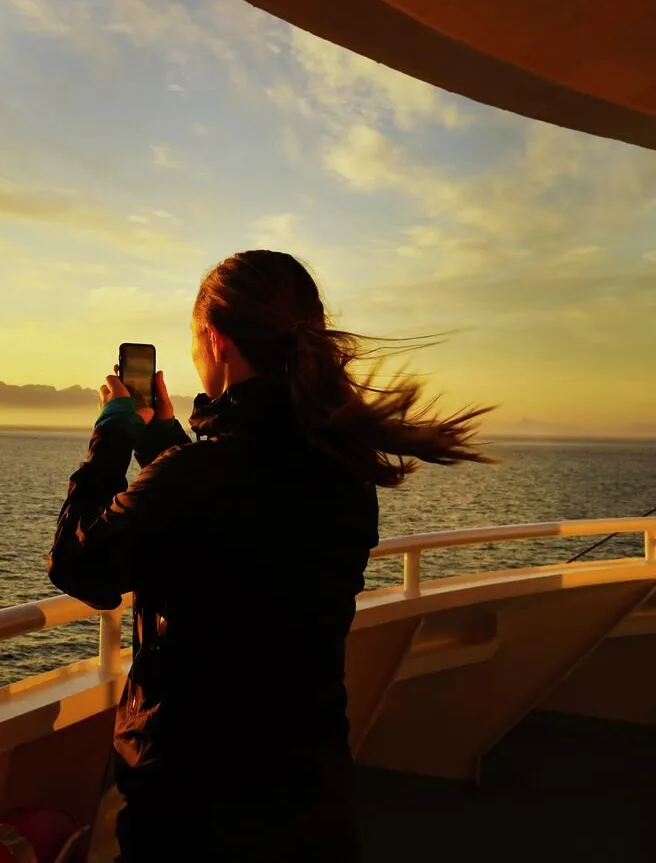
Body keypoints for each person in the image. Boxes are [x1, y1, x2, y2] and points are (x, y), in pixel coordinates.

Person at [47, 250, 491, 862]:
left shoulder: (201, 474)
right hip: (307, 794)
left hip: (195, 806)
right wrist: (163, 444)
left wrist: (112, 436)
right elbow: (236, 514)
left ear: (215, 340)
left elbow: (80, 568)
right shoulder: (341, 468)